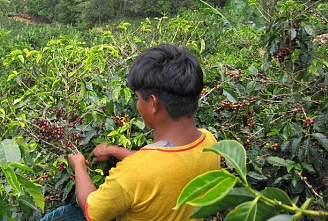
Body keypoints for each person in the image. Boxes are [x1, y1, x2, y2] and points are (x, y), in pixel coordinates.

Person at [68, 44, 221, 221]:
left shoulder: (132, 174)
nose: (138, 105)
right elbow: (165, 164)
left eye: (139, 98)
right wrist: (115, 151)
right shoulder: (210, 142)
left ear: (154, 103)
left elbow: (91, 210)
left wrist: (79, 164)